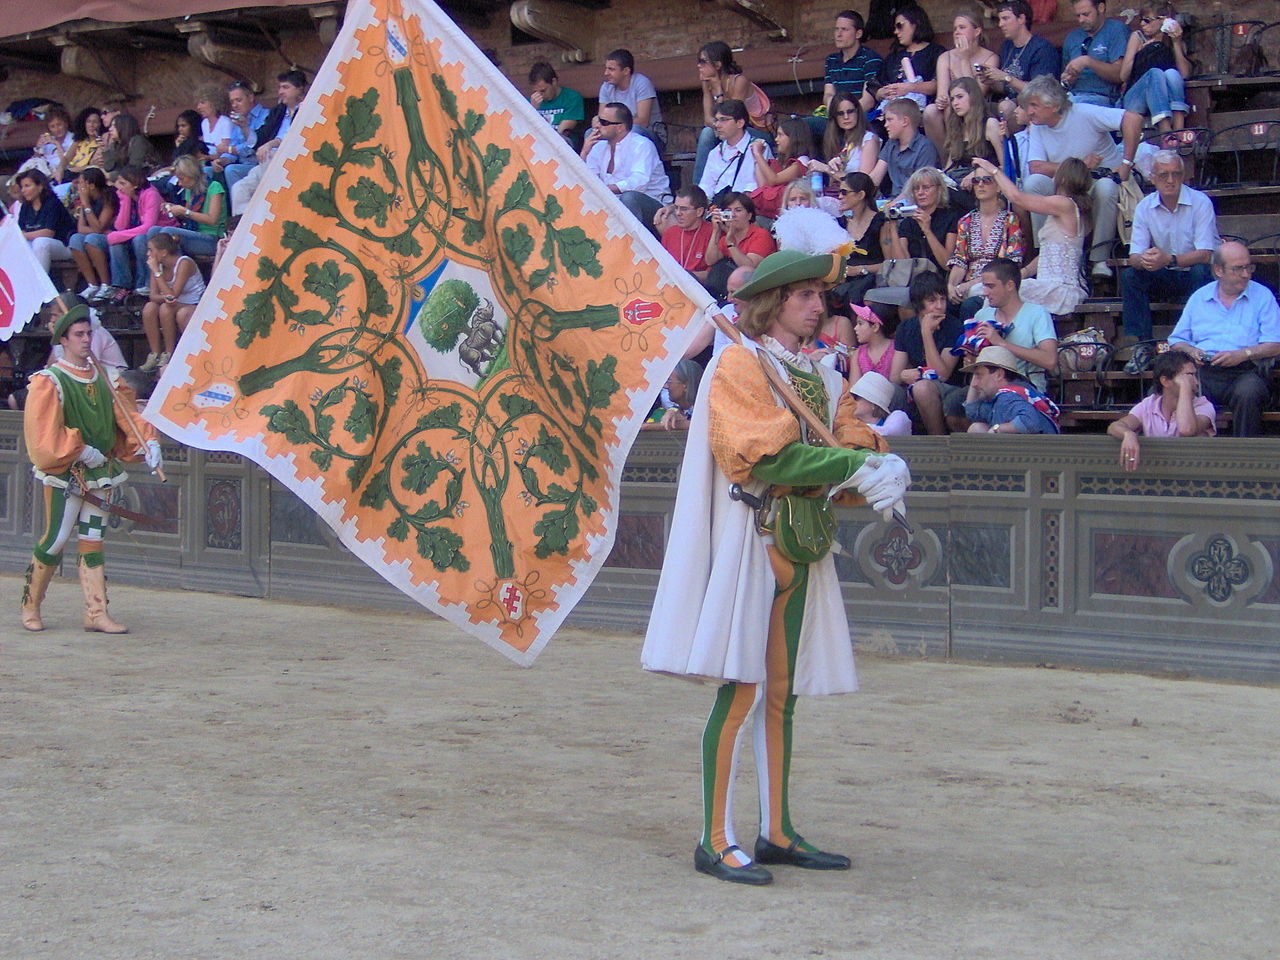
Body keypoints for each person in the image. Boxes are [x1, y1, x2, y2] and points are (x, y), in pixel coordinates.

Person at [641, 247, 909, 887]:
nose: (820, 306)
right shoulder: (740, 363)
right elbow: (765, 460)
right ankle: (714, 839)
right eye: (805, 295)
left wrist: (876, 466)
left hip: (802, 544)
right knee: (741, 691)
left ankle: (778, 831)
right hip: (754, 539)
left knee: (781, 697)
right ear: (773, 301)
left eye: (821, 295)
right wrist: (852, 467)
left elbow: (841, 445)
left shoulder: (820, 373)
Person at [20, 296, 162, 634]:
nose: (86, 340)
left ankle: (96, 612)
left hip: (102, 471)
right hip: (66, 472)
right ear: (64, 340)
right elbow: (43, 435)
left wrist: (149, 440)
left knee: (93, 539)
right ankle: (31, 603)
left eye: (88, 334)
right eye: (79, 334)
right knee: (55, 540)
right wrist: (80, 450)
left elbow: (127, 416)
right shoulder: (50, 380)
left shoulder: (107, 378)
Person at [1019, 76, 1142, 275]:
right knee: (1034, 184)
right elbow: (1036, 167)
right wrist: (1078, 165)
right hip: (1065, 187)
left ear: (1054, 105)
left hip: (1098, 181)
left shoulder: (1083, 112)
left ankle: (1099, 260)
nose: (1029, 111)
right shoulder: (1038, 126)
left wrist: (1126, 163)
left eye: (1034, 105)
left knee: (1106, 188)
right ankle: (1047, 253)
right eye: (1027, 106)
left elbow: (1133, 119)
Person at [1167, 242, 1280, 438]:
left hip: (1245, 371)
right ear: (1218, 270)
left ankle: (1245, 457)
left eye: (1248, 267)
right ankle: (1176, 455)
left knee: (1249, 392)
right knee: (1168, 385)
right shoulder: (1200, 297)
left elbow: (1275, 345)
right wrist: (1192, 351)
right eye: (1238, 268)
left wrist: (1242, 354)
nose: (1246, 274)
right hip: (1203, 371)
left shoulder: (1262, 296)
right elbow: (1176, 340)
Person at [972, 155, 1090, 316]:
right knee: (978, 289)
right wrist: (1022, 273)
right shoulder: (1068, 208)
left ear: (1061, 179)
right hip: (1049, 285)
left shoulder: (1065, 204)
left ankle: (990, 333)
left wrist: (992, 169)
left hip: (1061, 290)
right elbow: (1049, 254)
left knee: (997, 291)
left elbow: (1017, 198)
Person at [1120, 150, 1217, 344]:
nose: (1170, 180)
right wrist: (1146, 260)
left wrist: (1169, 259)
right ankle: (1143, 344)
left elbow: (1206, 254)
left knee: (1201, 270)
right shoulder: (1144, 207)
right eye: (1164, 175)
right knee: (1130, 276)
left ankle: (1199, 338)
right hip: (1164, 273)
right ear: (1153, 178)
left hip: (1194, 275)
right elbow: (1134, 256)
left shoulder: (1200, 202)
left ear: (1183, 176)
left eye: (1176, 174)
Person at [1108, 351, 1215, 470]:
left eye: (1195, 376)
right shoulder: (1149, 404)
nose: (1196, 382)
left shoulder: (1203, 405)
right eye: (1189, 375)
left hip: (1193, 475)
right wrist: (1128, 434)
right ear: (1165, 381)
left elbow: (1186, 429)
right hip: (1158, 475)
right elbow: (1115, 426)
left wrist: (1185, 386)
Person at [892, 272, 968, 434]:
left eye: (942, 299)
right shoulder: (905, 328)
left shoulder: (954, 327)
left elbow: (942, 374)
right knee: (885, 388)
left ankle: (938, 441)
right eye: (932, 301)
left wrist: (926, 332)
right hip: (916, 387)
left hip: (952, 389)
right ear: (919, 304)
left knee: (923, 388)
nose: (939, 306)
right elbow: (894, 376)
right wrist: (904, 374)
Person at [967, 257, 1058, 393]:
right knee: (953, 403)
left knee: (1002, 401)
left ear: (1010, 285)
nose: (985, 292)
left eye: (990, 286)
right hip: (985, 389)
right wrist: (972, 359)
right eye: (984, 286)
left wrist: (1001, 343)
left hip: (1025, 388)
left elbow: (1050, 360)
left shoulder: (1037, 313)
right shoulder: (982, 315)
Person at [946, 167, 1024, 320]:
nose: (981, 184)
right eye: (976, 181)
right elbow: (960, 259)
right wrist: (951, 286)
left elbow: (1012, 264)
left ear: (999, 187)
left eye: (987, 180)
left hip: (997, 286)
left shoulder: (1010, 220)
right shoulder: (965, 221)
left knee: (971, 306)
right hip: (966, 286)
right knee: (943, 305)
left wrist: (969, 285)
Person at [580, 102, 670, 234]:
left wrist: (605, 189)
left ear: (620, 127)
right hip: (613, 204)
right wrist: (584, 152)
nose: (597, 126)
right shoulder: (597, 147)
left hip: (651, 206)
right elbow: (585, 181)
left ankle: (632, 248)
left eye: (604, 122)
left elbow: (639, 183)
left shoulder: (642, 145)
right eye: (599, 120)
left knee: (628, 198)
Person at [230, 70, 308, 215]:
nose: (280, 91)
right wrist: (245, 127)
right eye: (279, 87)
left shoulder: (308, 108)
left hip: (294, 162)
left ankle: (270, 216)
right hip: (269, 162)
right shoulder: (278, 111)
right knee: (239, 189)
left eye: (285, 87)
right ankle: (240, 231)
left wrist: (272, 144)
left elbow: (299, 137)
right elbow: (261, 137)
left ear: (300, 88)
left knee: (269, 156)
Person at [693, 43, 770, 185]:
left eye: (703, 62)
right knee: (707, 132)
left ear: (717, 65)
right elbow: (708, 120)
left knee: (709, 134)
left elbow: (732, 117)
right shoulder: (708, 83)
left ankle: (697, 190)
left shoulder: (739, 81)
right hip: (733, 133)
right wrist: (707, 89)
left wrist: (717, 90)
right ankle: (698, 190)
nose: (699, 66)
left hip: (757, 133)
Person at [923, 9, 1000, 148]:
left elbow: (975, 96)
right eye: (955, 29)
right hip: (954, 107)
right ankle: (948, 157)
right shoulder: (945, 57)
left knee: (959, 105)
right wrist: (941, 100)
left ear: (977, 31)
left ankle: (964, 151)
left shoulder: (990, 58)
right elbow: (942, 93)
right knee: (932, 111)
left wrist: (964, 60)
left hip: (979, 109)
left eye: (962, 27)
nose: (956, 32)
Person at [139, 232, 206, 373]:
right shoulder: (157, 266)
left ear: (163, 252)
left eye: (151, 250)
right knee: (149, 308)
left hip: (194, 303)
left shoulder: (184, 263)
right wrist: (167, 297)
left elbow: (173, 294)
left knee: (165, 308)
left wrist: (157, 272)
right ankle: (155, 354)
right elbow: (153, 296)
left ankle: (169, 353)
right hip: (174, 303)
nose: (148, 254)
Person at [1119, 2, 1191, 133]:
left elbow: (1184, 74)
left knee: (1172, 74)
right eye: (1141, 20)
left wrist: (1176, 42)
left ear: (1163, 20)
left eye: (1147, 20)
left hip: (1164, 98)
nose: (1142, 24)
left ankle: (1179, 128)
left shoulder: (1172, 40)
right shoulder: (1138, 37)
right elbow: (1123, 76)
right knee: (1155, 73)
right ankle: (1165, 131)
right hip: (1136, 98)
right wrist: (1141, 52)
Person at [986, 0, 1061, 124]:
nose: (1000, 24)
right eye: (1000, 20)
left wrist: (1006, 78)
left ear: (1021, 18)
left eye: (1005, 18)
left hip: (1032, 105)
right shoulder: (1007, 47)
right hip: (1006, 101)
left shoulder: (1041, 49)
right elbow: (1006, 87)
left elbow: (1041, 92)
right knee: (974, 107)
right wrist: (991, 82)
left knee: (1006, 107)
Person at [103, 166, 170, 302]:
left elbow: (148, 226)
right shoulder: (129, 196)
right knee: (117, 244)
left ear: (134, 184)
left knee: (139, 240)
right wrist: (125, 200)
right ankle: (122, 286)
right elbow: (120, 226)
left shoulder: (151, 194)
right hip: (137, 234)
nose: (119, 188)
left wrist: (118, 235)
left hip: (160, 234)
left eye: (123, 184)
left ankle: (144, 284)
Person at [962, 344, 1061, 434]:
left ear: (999, 375)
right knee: (977, 428)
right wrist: (976, 369)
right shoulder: (1002, 396)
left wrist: (997, 429)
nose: (974, 384)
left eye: (979, 376)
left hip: (1043, 452)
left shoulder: (1008, 397)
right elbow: (972, 412)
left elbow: (1030, 422)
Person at [150, 155, 226, 268]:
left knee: (168, 232)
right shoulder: (189, 190)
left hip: (213, 238)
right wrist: (173, 208)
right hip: (194, 232)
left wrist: (185, 211)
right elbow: (188, 216)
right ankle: (150, 280)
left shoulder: (214, 187)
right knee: (153, 231)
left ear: (192, 175)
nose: (179, 183)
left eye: (181, 179)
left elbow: (212, 219)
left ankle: (183, 275)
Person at [886, 166, 960, 274]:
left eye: (926, 188)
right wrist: (892, 227)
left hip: (940, 277)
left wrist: (927, 230)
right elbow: (902, 264)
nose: (920, 193)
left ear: (939, 189)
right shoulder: (908, 222)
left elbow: (947, 264)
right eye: (916, 188)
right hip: (914, 279)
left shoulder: (951, 217)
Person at [704, 192, 776, 300]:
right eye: (728, 211)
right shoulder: (726, 238)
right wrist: (716, 231)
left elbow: (749, 266)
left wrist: (730, 244)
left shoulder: (760, 235)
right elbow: (710, 260)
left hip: (753, 293)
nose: (732, 215)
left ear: (749, 215)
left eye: (738, 210)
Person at [834, 171, 892, 306]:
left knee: (857, 294)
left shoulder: (880, 221)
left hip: (873, 280)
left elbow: (890, 263)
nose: (839, 196)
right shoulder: (841, 223)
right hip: (846, 282)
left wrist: (860, 269)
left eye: (844, 192)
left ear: (860, 195)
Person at [699, 99, 771, 203]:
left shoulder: (760, 148)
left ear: (740, 123)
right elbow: (706, 188)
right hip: (718, 210)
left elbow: (763, 188)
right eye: (716, 120)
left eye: (723, 120)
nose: (717, 125)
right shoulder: (715, 153)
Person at [873, 5, 944, 112]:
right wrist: (881, 93)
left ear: (917, 23)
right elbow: (876, 88)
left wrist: (909, 88)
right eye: (895, 28)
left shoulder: (936, 52)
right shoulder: (893, 57)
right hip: (889, 111)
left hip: (922, 111)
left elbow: (939, 84)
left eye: (900, 26)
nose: (896, 32)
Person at [1060, 0, 1129, 107]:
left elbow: (1120, 75)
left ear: (1101, 8)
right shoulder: (1072, 37)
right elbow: (1064, 79)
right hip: (1071, 97)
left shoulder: (1116, 30)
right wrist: (1067, 80)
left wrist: (1087, 61)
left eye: (1086, 14)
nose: (1081, 20)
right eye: (1078, 16)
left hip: (1103, 98)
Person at [938, 76, 1004, 186]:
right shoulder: (957, 127)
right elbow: (950, 168)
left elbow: (1005, 166)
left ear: (973, 97)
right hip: (960, 184)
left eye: (960, 97)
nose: (955, 103)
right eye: (952, 99)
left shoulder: (990, 124)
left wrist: (977, 174)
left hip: (986, 184)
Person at [870, 98, 941, 197]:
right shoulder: (891, 144)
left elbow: (920, 187)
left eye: (890, 120)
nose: (885, 125)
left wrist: (894, 204)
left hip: (915, 203)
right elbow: (875, 178)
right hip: (893, 201)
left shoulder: (925, 147)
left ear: (904, 121)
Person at [67, 169, 119, 299]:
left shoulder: (108, 196)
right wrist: (85, 204)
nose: (78, 187)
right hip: (99, 234)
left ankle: (106, 285)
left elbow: (99, 226)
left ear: (91, 185)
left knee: (91, 239)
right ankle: (92, 285)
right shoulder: (86, 201)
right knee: (75, 239)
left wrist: (86, 204)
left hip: (113, 237)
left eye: (81, 183)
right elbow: (81, 228)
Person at [216, 82, 272, 202]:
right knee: (209, 171)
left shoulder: (266, 115)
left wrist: (228, 150)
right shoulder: (238, 118)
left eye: (238, 100)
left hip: (259, 164)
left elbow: (252, 147)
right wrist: (221, 160)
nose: (235, 105)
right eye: (232, 102)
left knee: (231, 170)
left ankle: (241, 213)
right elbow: (233, 145)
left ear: (250, 97)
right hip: (242, 164)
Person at [748, 118, 812, 220]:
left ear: (793, 137)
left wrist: (758, 154)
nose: (776, 139)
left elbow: (774, 180)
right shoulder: (780, 161)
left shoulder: (803, 161)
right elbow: (763, 186)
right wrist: (757, 158)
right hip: (774, 212)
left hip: (796, 215)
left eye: (780, 135)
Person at [16, 169, 76, 274]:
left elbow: (48, 232)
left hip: (63, 245)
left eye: (27, 186)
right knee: (22, 246)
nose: (23, 190)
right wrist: (22, 235)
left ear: (40, 187)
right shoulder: (25, 206)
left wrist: (23, 235)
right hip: (36, 245)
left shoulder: (52, 203)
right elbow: (20, 230)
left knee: (40, 242)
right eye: (22, 187)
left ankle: (40, 284)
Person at [824, 10, 883, 112]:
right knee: (802, 124)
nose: (838, 34)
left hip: (864, 118)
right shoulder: (831, 60)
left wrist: (847, 116)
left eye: (844, 29)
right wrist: (836, 113)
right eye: (836, 29)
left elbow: (868, 101)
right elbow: (828, 94)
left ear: (858, 34)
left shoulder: (870, 58)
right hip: (837, 115)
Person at [598, 49, 663, 137]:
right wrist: (598, 121)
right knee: (590, 133)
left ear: (626, 71)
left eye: (611, 69)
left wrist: (612, 125)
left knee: (635, 129)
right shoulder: (606, 87)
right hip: (616, 130)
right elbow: (602, 119)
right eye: (606, 68)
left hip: (650, 135)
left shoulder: (642, 83)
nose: (606, 73)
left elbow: (643, 122)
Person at [657, 186, 714, 282]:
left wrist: (685, 276)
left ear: (699, 212)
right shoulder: (670, 233)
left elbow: (713, 275)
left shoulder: (713, 232)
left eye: (684, 209)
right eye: (676, 208)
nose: (678, 213)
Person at [820, 94, 880, 186]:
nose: (846, 117)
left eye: (850, 111)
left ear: (858, 112)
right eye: (840, 113)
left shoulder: (869, 139)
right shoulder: (838, 141)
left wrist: (828, 170)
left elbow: (862, 183)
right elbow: (833, 183)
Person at [528, 61, 585, 148]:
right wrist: (532, 110)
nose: (540, 95)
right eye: (536, 91)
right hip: (538, 145)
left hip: (563, 144)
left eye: (543, 90)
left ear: (554, 82)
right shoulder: (532, 102)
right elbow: (527, 130)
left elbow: (563, 131)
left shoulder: (571, 97)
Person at [643, 358, 703, 431]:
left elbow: (700, 426)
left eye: (669, 381)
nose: (665, 386)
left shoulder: (706, 411)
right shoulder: (671, 412)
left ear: (686, 386)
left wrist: (646, 427)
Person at [96, 112, 158, 176]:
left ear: (124, 127)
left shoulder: (137, 141)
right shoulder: (115, 145)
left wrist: (109, 176)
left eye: (114, 126)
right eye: (111, 126)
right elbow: (109, 168)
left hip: (150, 177)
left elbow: (134, 169)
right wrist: (105, 150)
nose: (110, 129)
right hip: (126, 179)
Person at [852, 370, 913, 436]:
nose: (850, 401)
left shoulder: (897, 419)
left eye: (856, 397)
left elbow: (887, 433)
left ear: (873, 404)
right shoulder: (849, 424)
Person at [56, 108, 105, 185]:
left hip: (83, 176)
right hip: (70, 172)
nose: (91, 125)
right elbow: (67, 158)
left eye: (95, 122)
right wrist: (60, 168)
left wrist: (72, 169)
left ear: (100, 124)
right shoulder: (79, 140)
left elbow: (93, 166)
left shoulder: (101, 142)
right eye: (88, 121)